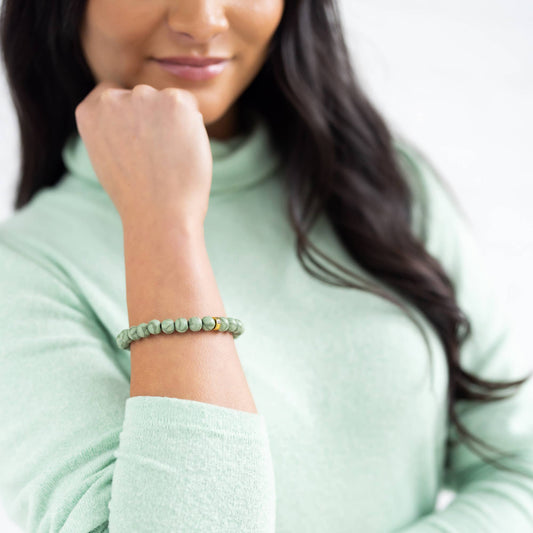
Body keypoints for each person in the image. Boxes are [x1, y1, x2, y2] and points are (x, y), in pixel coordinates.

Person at [0, 1, 532, 531]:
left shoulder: (384, 186)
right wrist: (163, 225)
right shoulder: (23, 270)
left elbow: (519, 471)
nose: (203, 21)